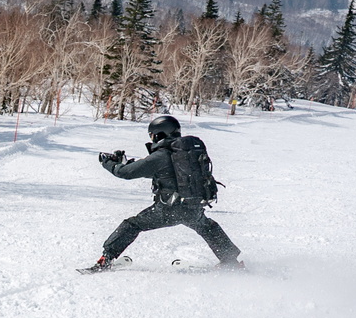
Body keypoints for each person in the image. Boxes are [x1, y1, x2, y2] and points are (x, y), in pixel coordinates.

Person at [86, 114, 243, 272]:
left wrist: (108, 163)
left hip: (170, 210)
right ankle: (231, 262)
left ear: (159, 134)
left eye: (152, 135)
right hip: (193, 206)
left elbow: (125, 173)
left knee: (132, 225)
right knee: (208, 227)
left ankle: (105, 259)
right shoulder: (185, 154)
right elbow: (161, 172)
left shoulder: (161, 156)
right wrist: (128, 163)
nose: (152, 138)